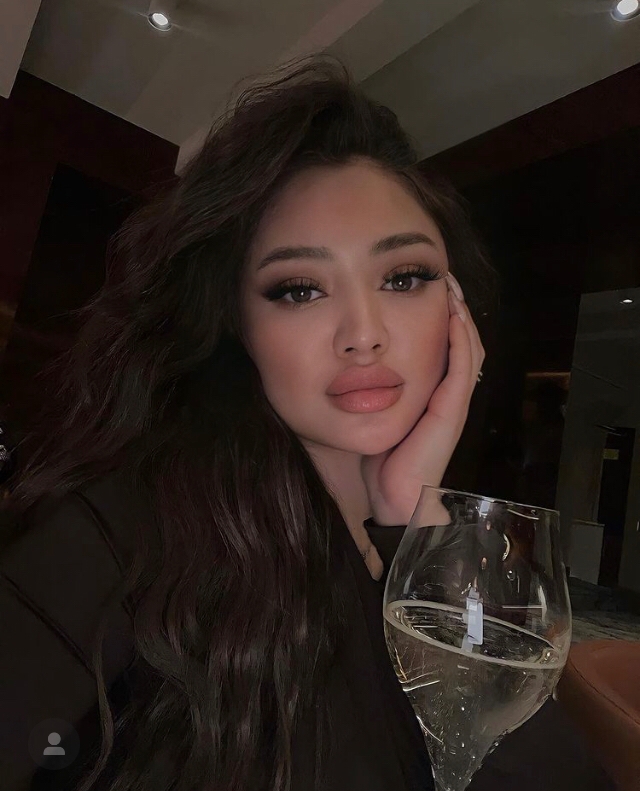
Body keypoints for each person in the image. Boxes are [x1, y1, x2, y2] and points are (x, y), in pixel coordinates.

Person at [0, 55, 614, 791]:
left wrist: (410, 518)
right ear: (238, 327)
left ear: (456, 310)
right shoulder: (126, 530)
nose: (364, 334)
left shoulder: (432, 549)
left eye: (404, 277)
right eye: (299, 289)